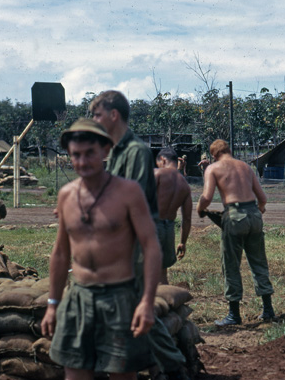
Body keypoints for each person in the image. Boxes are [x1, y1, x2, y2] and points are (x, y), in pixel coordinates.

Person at [41, 118, 161, 380]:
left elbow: (151, 246)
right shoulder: (66, 195)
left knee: (121, 374)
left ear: (105, 151)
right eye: (76, 155)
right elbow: (61, 253)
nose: (82, 162)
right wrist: (53, 304)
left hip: (119, 297)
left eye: (89, 154)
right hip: (79, 297)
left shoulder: (128, 192)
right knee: (74, 372)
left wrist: (147, 302)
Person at [90, 90, 189, 379]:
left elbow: (127, 200)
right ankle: (165, 366)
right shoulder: (119, 151)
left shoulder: (135, 152)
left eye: (97, 115)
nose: (94, 121)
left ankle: (170, 367)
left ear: (113, 115)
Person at [196, 139, 276, 326]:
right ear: (229, 150)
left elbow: (206, 198)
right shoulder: (246, 167)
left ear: (214, 155)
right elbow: (262, 199)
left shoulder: (214, 168)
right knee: (258, 262)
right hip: (255, 216)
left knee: (231, 264)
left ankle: (233, 315)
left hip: (234, 217)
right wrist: (257, 211)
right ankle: (268, 310)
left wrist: (200, 209)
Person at [154, 147, 192, 284]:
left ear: (163, 160)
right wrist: (183, 242)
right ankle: (164, 302)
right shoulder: (184, 185)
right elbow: (187, 219)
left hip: (152, 226)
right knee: (162, 273)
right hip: (168, 229)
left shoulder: (157, 174)